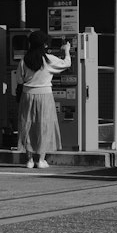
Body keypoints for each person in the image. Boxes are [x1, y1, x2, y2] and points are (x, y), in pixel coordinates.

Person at [16, 30, 71, 168]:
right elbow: (67, 63)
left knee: (28, 124)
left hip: (27, 95)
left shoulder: (24, 60)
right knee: (44, 125)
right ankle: (40, 159)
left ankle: (29, 160)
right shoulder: (49, 59)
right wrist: (67, 50)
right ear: (44, 44)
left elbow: (19, 79)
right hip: (45, 95)